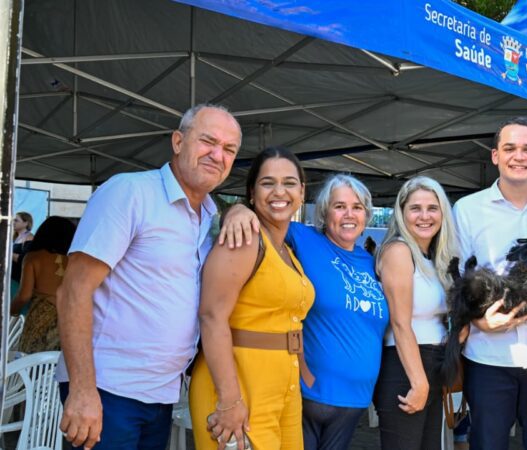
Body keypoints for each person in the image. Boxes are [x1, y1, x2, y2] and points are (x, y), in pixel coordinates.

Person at [55, 104, 242, 450]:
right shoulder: (130, 192)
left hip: (160, 396)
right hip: (107, 391)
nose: (218, 154)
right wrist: (82, 390)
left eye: (229, 149)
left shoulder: (208, 216)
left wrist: (240, 209)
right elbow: (73, 291)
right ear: (177, 141)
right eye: (208, 141)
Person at [221, 173, 389, 449]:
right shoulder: (304, 238)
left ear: (367, 216)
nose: (349, 214)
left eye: (357, 207)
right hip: (309, 395)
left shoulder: (371, 262)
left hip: (355, 400)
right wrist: (237, 210)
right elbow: (263, 215)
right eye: (339, 206)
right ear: (324, 212)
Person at [452, 116, 527, 450]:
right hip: (487, 356)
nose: (518, 156)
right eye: (509, 148)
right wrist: (478, 321)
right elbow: (457, 280)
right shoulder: (466, 209)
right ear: (495, 156)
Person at [190, 147, 314, 449]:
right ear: (251, 191)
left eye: (289, 183)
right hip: (237, 386)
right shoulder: (244, 239)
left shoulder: (287, 250)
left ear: (302, 191)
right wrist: (230, 401)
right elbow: (211, 316)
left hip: (283, 388)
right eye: (267, 183)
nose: (279, 192)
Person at [373, 176, 459, 449]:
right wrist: (419, 382)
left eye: (432, 208)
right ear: (401, 213)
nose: (424, 216)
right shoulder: (398, 251)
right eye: (415, 208)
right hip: (405, 368)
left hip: (433, 365)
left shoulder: (435, 258)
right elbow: (400, 323)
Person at [11, 216, 76, 353]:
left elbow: (24, 296)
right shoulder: (75, 260)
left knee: (30, 365)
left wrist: (12, 312)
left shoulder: (33, 258)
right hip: (69, 317)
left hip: (39, 317)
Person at [11, 212, 35, 300]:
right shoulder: (15, 238)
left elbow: (24, 259)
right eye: (13, 220)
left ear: (26, 223)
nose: (13, 222)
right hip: (11, 278)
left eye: (16, 220)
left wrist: (8, 253)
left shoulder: (29, 237)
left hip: (19, 280)